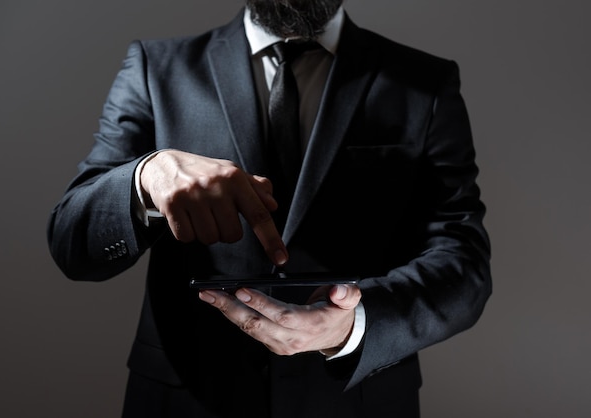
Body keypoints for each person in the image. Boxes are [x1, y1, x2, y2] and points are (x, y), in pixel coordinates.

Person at [47, 1, 491, 417]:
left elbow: (464, 263)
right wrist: (145, 178)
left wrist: (352, 326)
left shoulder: (423, 81)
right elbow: (72, 243)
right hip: (185, 399)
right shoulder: (156, 68)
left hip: (357, 402)